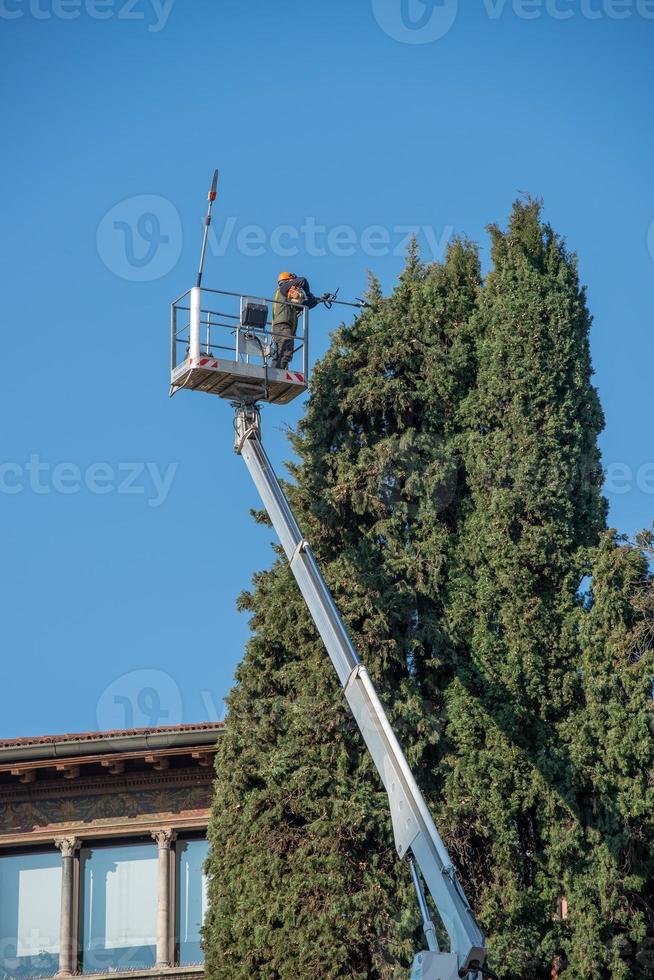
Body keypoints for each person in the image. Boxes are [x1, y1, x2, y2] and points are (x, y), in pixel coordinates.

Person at [272, 272, 325, 370]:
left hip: (280, 327)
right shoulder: (283, 289)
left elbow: (303, 306)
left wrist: (317, 301)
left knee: (280, 353)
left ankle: (275, 372)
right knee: (286, 351)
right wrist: (309, 294)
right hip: (283, 326)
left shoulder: (286, 298)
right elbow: (302, 280)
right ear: (289, 281)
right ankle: (278, 373)